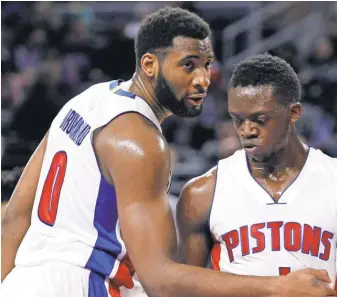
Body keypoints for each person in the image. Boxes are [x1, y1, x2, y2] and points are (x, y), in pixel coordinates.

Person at [1, 8, 335, 297]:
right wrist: (278, 288)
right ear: (149, 64)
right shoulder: (141, 140)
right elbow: (160, 280)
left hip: (20, 282)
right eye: (188, 65)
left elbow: (14, 218)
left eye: (206, 65)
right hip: (81, 284)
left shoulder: (86, 101)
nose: (204, 79)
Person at [176, 53, 337, 291]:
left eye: (259, 119)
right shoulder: (202, 193)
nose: (246, 131)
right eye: (237, 120)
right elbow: (185, 291)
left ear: (294, 113)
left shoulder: (332, 179)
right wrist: (277, 288)